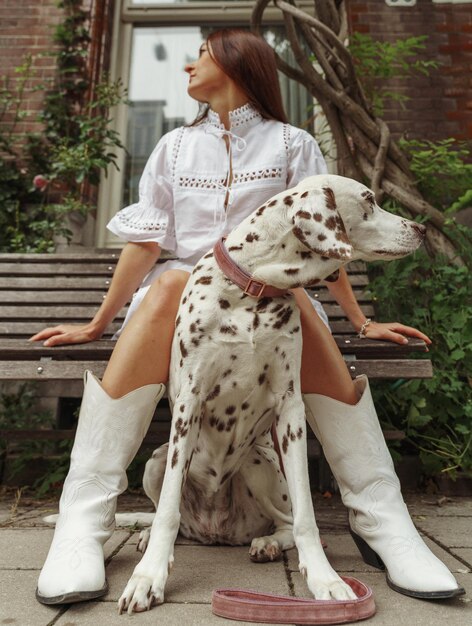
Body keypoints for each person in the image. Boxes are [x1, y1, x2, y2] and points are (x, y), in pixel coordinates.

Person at [34, 29, 463, 607]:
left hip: (273, 298)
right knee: (169, 284)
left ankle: (382, 519)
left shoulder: (292, 145)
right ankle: (82, 523)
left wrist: (360, 322)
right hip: (183, 306)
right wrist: (96, 324)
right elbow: (145, 245)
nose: (189, 63)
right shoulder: (174, 148)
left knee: (294, 301)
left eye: (203, 54)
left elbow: (324, 245)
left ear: (238, 65)